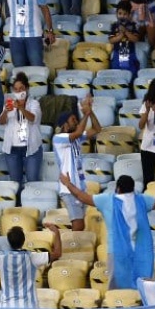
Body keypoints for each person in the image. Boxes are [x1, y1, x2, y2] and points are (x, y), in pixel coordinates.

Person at [61, 174, 155, 289]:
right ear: (133, 189)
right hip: (142, 252)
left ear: (118, 189)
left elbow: (81, 196)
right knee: (143, 288)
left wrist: (67, 183)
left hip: (117, 252)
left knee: (119, 290)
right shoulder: (142, 200)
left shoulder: (107, 200)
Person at [0, 224, 61, 308]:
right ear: (23, 241)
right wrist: (56, 232)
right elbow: (57, 254)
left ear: (8, 242)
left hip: (8, 307)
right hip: (29, 307)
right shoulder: (32, 257)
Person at [55, 99, 101, 232]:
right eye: (73, 119)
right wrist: (85, 114)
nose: (76, 122)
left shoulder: (76, 138)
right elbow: (79, 132)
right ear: (65, 124)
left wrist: (90, 112)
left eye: (76, 119)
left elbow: (97, 129)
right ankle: (71, 248)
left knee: (83, 225)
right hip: (68, 189)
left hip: (80, 187)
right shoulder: (59, 138)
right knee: (78, 224)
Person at [0, 72, 43, 193]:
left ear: (27, 89)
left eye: (22, 88)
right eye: (16, 89)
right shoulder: (9, 103)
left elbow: (33, 118)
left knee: (32, 181)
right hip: (12, 150)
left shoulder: (34, 104)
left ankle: (32, 207)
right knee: (15, 183)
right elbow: (1, 121)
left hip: (31, 149)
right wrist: (5, 112)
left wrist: (21, 108)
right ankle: (18, 208)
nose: (19, 91)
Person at [108, 0, 141, 78]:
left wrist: (125, 32)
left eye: (125, 14)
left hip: (130, 53)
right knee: (117, 74)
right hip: (117, 53)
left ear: (129, 15)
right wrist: (120, 35)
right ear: (116, 14)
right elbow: (111, 40)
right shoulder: (114, 25)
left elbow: (135, 39)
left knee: (130, 74)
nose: (122, 16)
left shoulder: (133, 25)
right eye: (120, 13)